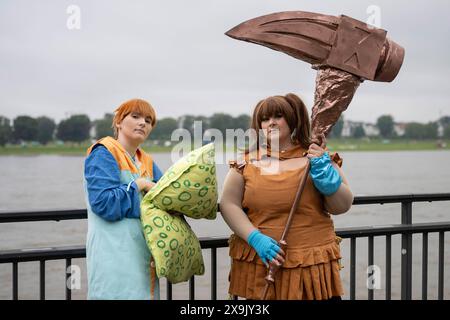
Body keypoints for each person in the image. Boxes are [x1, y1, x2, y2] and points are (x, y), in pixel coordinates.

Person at [220, 93, 354, 300]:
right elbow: (228, 204)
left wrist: (326, 176)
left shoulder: (317, 157)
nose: (270, 123)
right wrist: (255, 238)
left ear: (292, 120)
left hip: (312, 266)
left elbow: (342, 205)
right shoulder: (246, 163)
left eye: (278, 116)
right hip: (262, 264)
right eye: (265, 119)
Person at [83, 98, 164, 300]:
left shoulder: (146, 160)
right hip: (113, 257)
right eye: (135, 117)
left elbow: (166, 196)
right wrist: (140, 185)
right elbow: (104, 203)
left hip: (143, 259)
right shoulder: (104, 152)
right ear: (119, 122)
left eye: (148, 120)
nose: (142, 123)